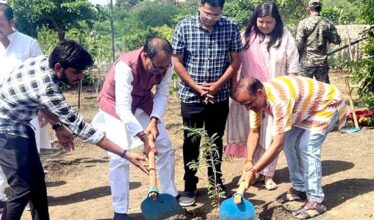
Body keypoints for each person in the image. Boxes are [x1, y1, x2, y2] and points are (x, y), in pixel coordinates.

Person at [0, 40, 148, 220]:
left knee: (37, 182)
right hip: (6, 130)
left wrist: (57, 126)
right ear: (58, 67)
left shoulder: (41, 62)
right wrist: (125, 154)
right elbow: (84, 130)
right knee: (23, 187)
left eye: (82, 71)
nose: (81, 77)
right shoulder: (47, 88)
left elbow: (37, 100)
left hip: (20, 125)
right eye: (76, 72)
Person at [92, 37, 185, 220]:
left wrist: (154, 121)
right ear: (145, 56)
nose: (162, 71)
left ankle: (169, 195)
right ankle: (120, 211)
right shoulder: (125, 67)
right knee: (119, 158)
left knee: (164, 146)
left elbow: (162, 93)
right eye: (158, 67)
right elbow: (123, 107)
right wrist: (143, 136)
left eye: (165, 67)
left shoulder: (166, 65)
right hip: (115, 105)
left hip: (143, 101)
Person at [234, 76, 347, 219]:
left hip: (327, 103)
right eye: (245, 105)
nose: (248, 108)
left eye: (249, 103)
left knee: (307, 147)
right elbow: (254, 132)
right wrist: (248, 162)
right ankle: (300, 188)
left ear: (260, 93)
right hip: (306, 109)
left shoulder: (279, 99)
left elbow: (277, 144)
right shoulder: (254, 102)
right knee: (289, 143)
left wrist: (255, 171)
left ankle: (316, 200)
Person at [172, 0, 242, 206]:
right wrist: (197, 87)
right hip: (191, 97)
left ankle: (216, 183)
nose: (211, 18)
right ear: (199, 6)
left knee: (215, 139)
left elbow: (236, 61)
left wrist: (217, 86)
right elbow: (177, 61)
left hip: (218, 97)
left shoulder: (230, 26)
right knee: (191, 142)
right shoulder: (184, 26)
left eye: (216, 15)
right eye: (207, 14)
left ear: (222, 12)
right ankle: (190, 186)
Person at [225, 2, 300, 191]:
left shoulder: (285, 38)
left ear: (277, 21)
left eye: (269, 22)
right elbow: (235, 63)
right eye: (261, 21)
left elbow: (293, 69)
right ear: (255, 20)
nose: (265, 26)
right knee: (254, 132)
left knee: (271, 135)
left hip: (274, 96)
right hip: (251, 95)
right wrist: (235, 90)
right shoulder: (245, 37)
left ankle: (267, 175)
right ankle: (254, 170)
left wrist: (287, 91)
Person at [0, 3, 51, 214]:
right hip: (1, 117)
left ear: (12, 22)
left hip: (25, 116)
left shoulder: (29, 44)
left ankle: (28, 205)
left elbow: (42, 78)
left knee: (29, 173)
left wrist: (43, 109)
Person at [296, 0, 341, 83]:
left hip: (306, 62)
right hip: (322, 63)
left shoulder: (303, 23)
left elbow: (299, 44)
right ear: (320, 8)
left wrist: (296, 58)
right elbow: (336, 40)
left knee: (305, 88)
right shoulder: (328, 23)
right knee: (324, 90)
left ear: (309, 9)